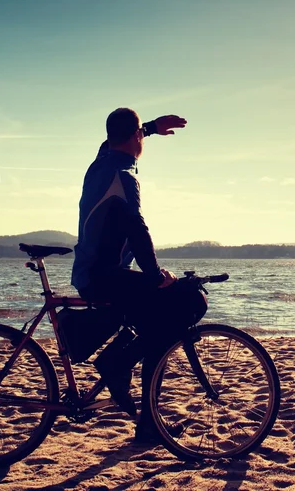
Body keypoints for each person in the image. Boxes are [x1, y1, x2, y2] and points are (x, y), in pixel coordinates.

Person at [71, 107, 207, 442]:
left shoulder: (100, 162)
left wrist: (149, 128)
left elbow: (114, 142)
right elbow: (137, 228)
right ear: (134, 138)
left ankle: (140, 405)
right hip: (103, 276)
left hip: (96, 272)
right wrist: (157, 273)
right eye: (139, 135)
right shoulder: (123, 177)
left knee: (156, 319)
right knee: (183, 306)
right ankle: (128, 385)